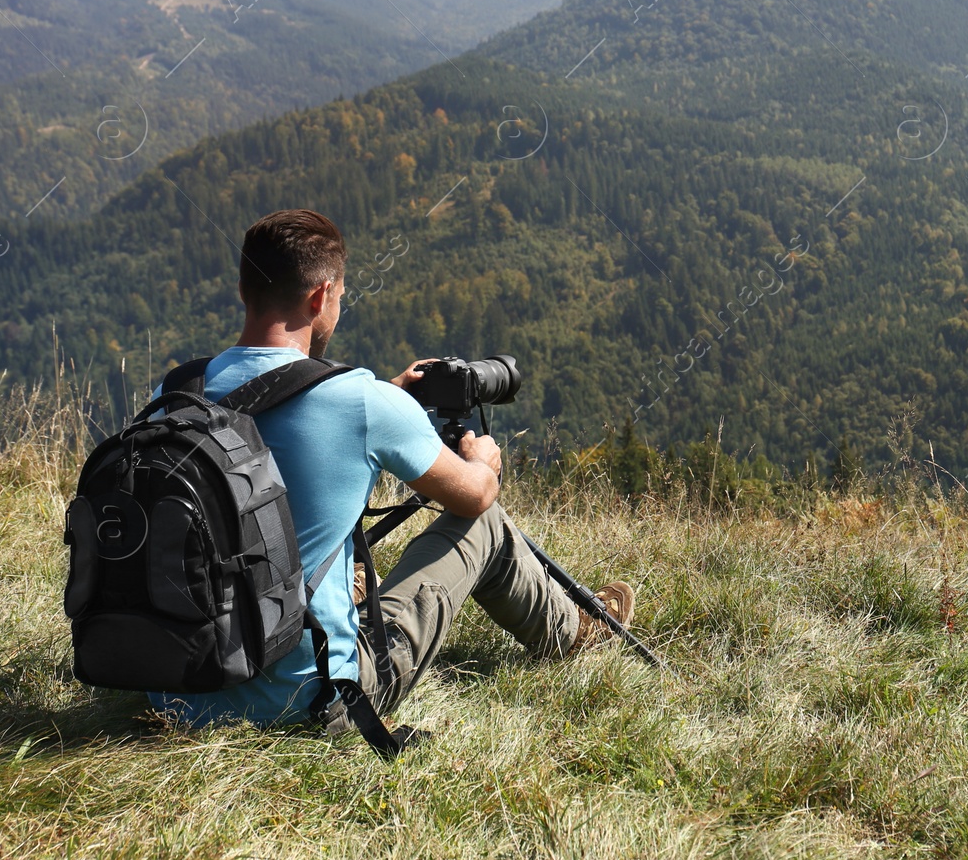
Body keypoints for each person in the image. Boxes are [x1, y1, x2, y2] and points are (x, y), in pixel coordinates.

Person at [151, 208, 634, 733]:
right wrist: (483, 464)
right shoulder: (361, 403)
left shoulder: (176, 394)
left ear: (243, 289)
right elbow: (472, 497)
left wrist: (386, 400)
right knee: (485, 523)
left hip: (177, 690)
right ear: (320, 297)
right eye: (339, 297)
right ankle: (578, 632)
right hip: (310, 700)